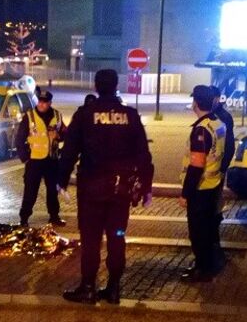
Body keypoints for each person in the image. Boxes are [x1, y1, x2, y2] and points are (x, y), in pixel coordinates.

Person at [58, 69, 153, 305]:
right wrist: (146, 187)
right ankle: (114, 287)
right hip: (120, 190)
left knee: (91, 239)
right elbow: (143, 154)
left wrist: (61, 180)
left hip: (92, 188)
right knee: (117, 236)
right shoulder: (130, 115)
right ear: (116, 85)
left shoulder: (85, 114)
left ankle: (88, 287)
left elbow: (69, 151)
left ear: (96, 86)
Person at [179, 85, 229, 282]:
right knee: (208, 230)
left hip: (200, 188)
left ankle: (203, 269)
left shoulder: (201, 129)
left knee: (198, 232)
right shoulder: (218, 123)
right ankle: (210, 264)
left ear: (196, 103)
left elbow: (196, 165)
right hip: (214, 183)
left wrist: (185, 193)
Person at [15, 90, 66, 227]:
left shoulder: (57, 115)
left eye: (45, 102)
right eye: (40, 101)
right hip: (34, 161)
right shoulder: (29, 116)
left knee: (52, 191)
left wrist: (58, 136)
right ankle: (24, 219)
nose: (41, 104)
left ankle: (54, 216)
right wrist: (25, 159)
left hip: (52, 160)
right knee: (30, 191)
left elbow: (65, 134)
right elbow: (19, 139)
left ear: (50, 103)